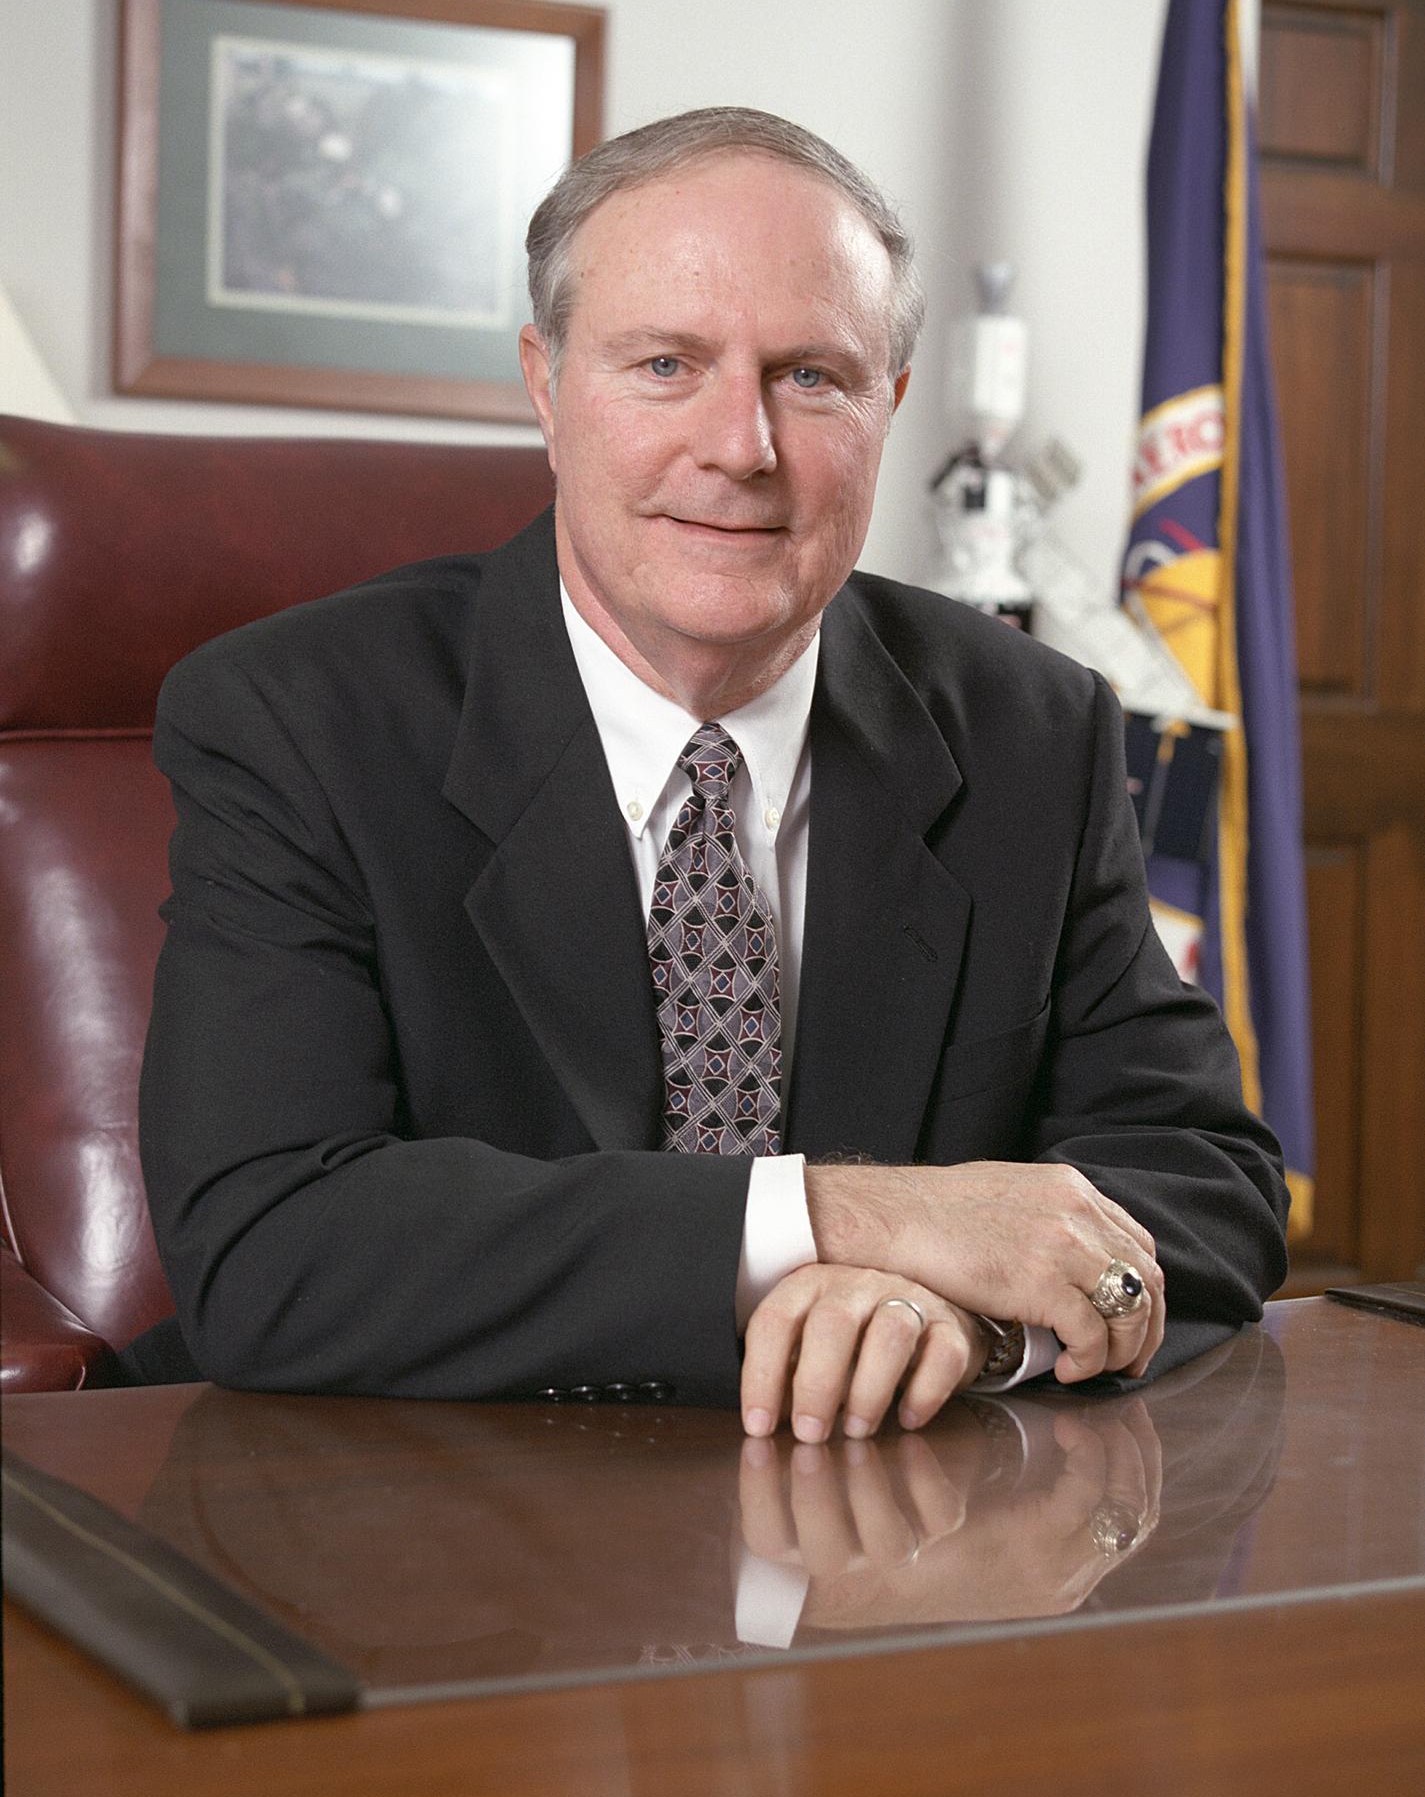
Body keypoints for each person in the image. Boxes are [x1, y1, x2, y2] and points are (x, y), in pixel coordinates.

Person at [131, 108, 1289, 1442]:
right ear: (544, 386)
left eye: (810, 377)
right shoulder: (299, 718)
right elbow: (269, 1245)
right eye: (666, 364)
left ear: (889, 409)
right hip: (399, 1506)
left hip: (877, 1536)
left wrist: (967, 1323)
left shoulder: (1028, 727)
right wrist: (843, 1216)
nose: (740, 446)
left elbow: (1204, 1189)